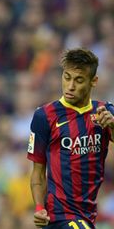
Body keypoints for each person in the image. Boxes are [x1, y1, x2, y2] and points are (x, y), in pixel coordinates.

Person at [27, 48, 114, 229]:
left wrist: (113, 125)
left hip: (88, 215)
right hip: (59, 215)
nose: (71, 86)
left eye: (79, 80)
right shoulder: (45, 116)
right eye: (67, 77)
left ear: (93, 81)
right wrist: (39, 207)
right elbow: (38, 172)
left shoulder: (105, 112)